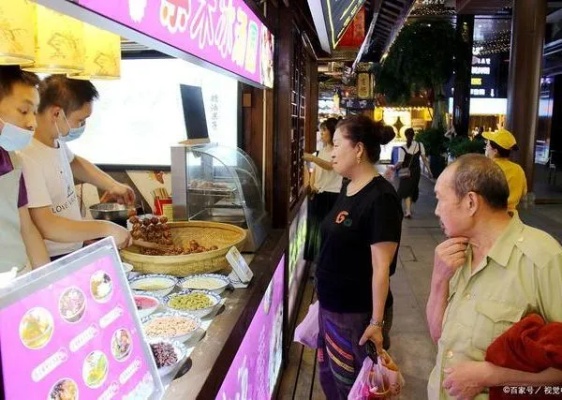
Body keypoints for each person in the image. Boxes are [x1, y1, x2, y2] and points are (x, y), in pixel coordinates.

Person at [426, 154, 562, 399]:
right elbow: (439, 337)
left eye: (439, 199)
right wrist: (439, 281)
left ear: (470, 202)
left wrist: (492, 376)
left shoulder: (544, 257)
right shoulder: (456, 253)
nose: (435, 210)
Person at [315, 115, 402, 399]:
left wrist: (376, 324)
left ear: (359, 149)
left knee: (355, 386)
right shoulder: (347, 185)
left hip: (356, 315)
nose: (331, 152)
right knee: (332, 378)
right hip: (330, 307)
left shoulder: (381, 198)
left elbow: (381, 267)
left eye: (337, 144)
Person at [20, 75, 133, 260]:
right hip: (52, 257)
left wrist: (112, 185)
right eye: (81, 120)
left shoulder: (54, 140)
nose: (83, 126)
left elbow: (74, 162)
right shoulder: (27, 156)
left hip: (73, 247)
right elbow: (47, 225)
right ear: (56, 114)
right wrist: (107, 228)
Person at [0, 66, 50, 273]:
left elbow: (27, 229)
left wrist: (48, 282)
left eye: (34, 113)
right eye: (23, 111)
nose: (32, 123)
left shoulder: (12, 159)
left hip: (17, 275)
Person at [303, 117, 342, 262]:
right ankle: (317, 263)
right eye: (321, 130)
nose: (322, 133)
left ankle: (325, 262)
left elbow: (329, 166)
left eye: (324, 130)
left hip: (331, 196)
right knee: (314, 230)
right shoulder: (321, 151)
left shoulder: (337, 150)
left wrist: (311, 158)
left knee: (325, 231)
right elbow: (316, 171)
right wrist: (312, 186)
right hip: (318, 195)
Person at [483, 128, 527, 211]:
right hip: (511, 215)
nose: (486, 148)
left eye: (487, 145)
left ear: (495, 151)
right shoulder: (518, 169)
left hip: (490, 214)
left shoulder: (487, 168)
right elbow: (523, 193)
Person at [392, 127, 432, 218]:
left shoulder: (402, 148)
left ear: (405, 135)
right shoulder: (419, 145)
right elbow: (424, 159)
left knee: (402, 191)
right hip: (416, 172)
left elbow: (400, 162)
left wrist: (393, 168)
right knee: (409, 191)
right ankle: (408, 211)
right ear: (414, 135)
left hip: (406, 172)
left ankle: (403, 210)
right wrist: (429, 171)